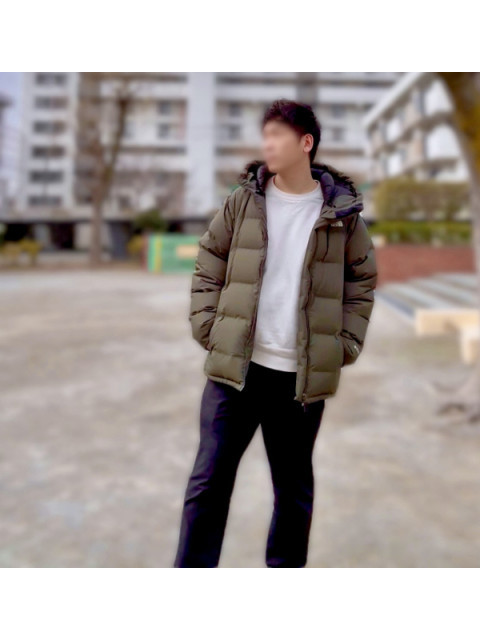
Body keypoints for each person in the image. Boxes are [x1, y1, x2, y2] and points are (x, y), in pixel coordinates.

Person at [173, 99, 378, 568]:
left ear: (305, 143)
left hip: (298, 381)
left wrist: (344, 344)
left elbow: (361, 281)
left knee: (293, 491)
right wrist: (208, 324)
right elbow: (210, 260)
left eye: (277, 135)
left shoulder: (342, 216)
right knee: (208, 484)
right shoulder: (243, 201)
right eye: (264, 135)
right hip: (236, 372)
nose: (267, 144)